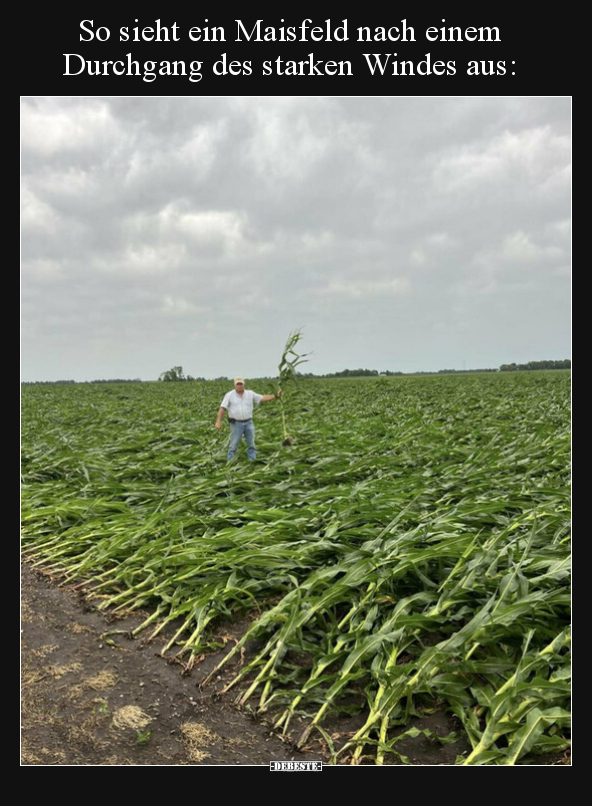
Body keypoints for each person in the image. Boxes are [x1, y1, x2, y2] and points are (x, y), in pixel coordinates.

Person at [215, 377, 283, 461]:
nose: (239, 386)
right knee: (233, 445)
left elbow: (262, 398)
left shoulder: (250, 394)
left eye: (241, 384)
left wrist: (276, 395)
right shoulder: (229, 395)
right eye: (238, 384)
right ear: (234, 385)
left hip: (248, 423)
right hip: (236, 424)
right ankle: (230, 462)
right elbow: (222, 409)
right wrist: (218, 422)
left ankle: (252, 461)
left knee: (251, 444)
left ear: (244, 385)